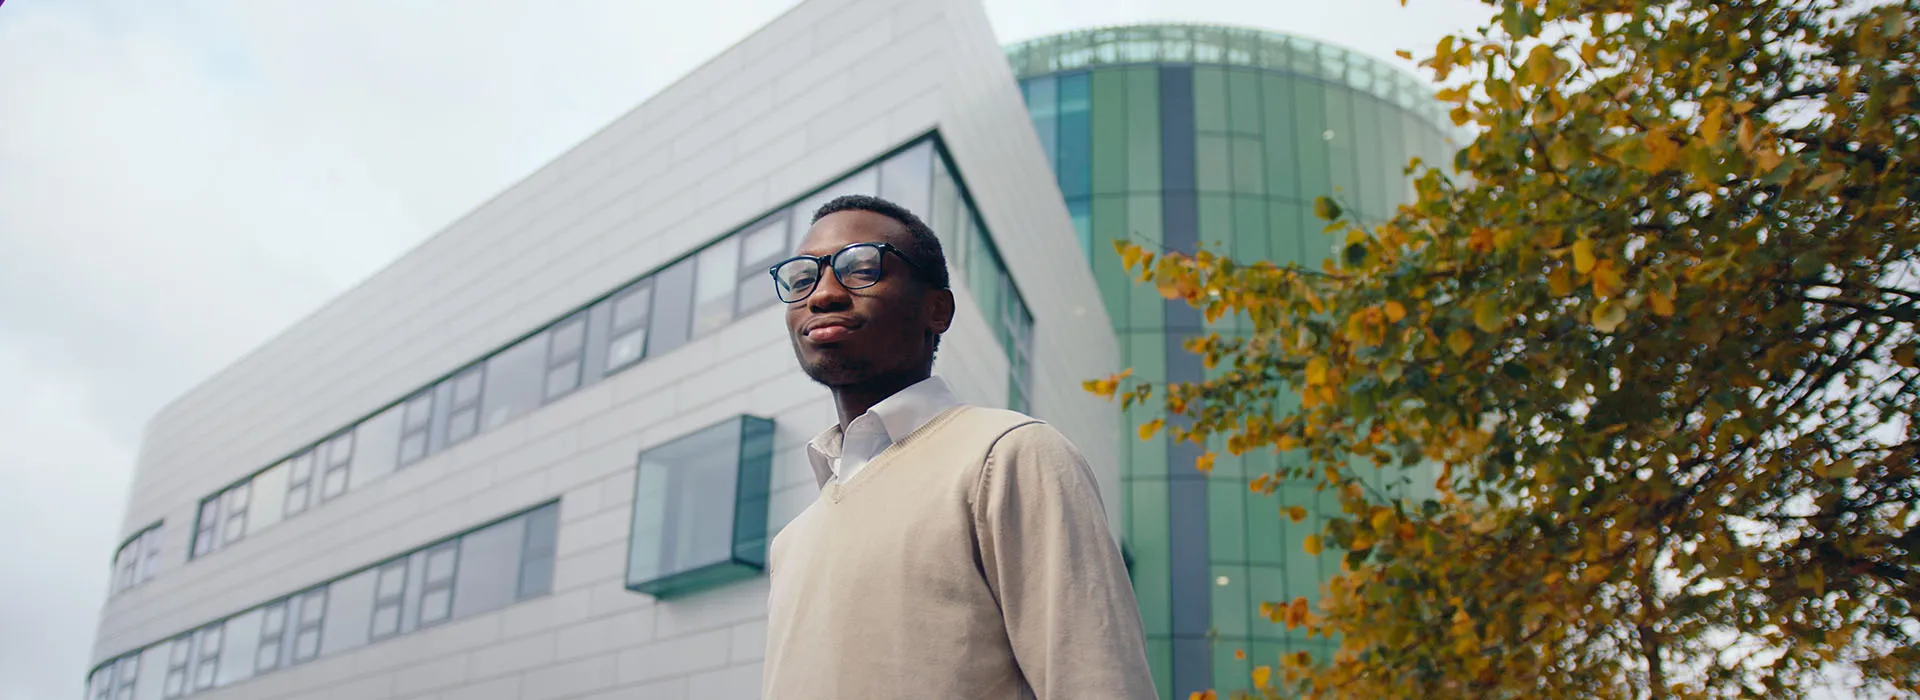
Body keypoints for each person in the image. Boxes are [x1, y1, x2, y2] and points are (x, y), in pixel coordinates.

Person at [760, 194, 1157, 700]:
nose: (822, 295)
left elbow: (1097, 684)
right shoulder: (792, 541)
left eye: (860, 269)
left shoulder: (1007, 455)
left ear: (937, 310)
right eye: (800, 280)